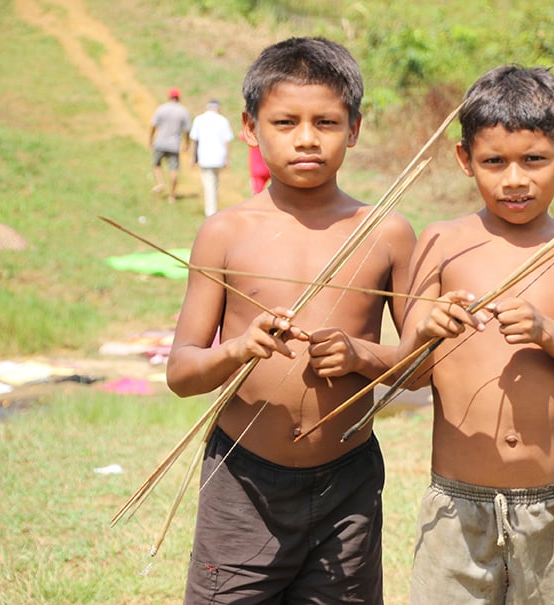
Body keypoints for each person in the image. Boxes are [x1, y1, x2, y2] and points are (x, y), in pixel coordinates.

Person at [166, 37, 416, 604]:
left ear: (354, 128)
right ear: (251, 129)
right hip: (243, 478)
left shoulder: (385, 232)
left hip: (346, 479)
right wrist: (237, 350)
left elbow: (423, 367)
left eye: (326, 122)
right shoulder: (225, 232)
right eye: (286, 122)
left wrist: (361, 355)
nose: (307, 138)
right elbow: (181, 372)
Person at [400, 65, 554, 604]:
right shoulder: (440, 241)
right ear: (464, 160)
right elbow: (404, 377)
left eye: (535, 160)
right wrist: (425, 335)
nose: (515, 179)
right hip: (457, 513)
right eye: (494, 162)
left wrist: (548, 333)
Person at [189, 99, 235, 217]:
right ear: (218, 108)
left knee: (209, 183)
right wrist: (227, 158)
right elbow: (227, 141)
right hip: (219, 156)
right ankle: (212, 208)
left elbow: (194, 140)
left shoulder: (199, 119)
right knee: (214, 182)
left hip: (204, 156)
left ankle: (211, 212)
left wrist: (193, 157)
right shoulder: (223, 120)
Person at [149, 87, 191, 203]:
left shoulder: (161, 109)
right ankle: (172, 196)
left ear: (169, 97)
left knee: (156, 164)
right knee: (174, 170)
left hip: (160, 142)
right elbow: (187, 130)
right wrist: (187, 143)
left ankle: (160, 183)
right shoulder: (183, 111)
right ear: (179, 98)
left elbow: (153, 125)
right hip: (174, 144)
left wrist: (150, 139)